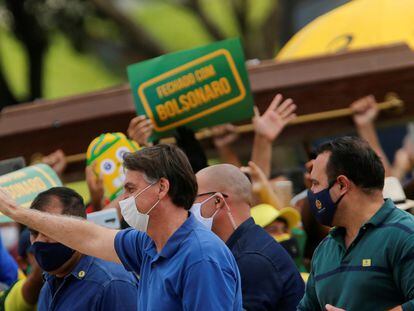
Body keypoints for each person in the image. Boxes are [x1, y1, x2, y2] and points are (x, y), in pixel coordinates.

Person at [0, 144, 242, 310]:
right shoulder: (147, 244)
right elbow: (88, 236)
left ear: (162, 188)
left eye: (130, 189)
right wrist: (19, 213)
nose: (122, 200)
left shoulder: (201, 257)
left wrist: (18, 212)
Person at [299, 136, 414, 311]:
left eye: (315, 183)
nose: (312, 192)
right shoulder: (325, 250)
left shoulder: (406, 234)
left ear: (342, 185)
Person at [193, 163, 304, 310]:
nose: (188, 207)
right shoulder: (243, 247)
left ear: (218, 201)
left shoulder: (251, 259)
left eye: (193, 197)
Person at [27, 187, 139, 311]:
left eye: (48, 230)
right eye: (34, 233)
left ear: (76, 228)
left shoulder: (112, 283)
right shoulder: (49, 282)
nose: (39, 240)